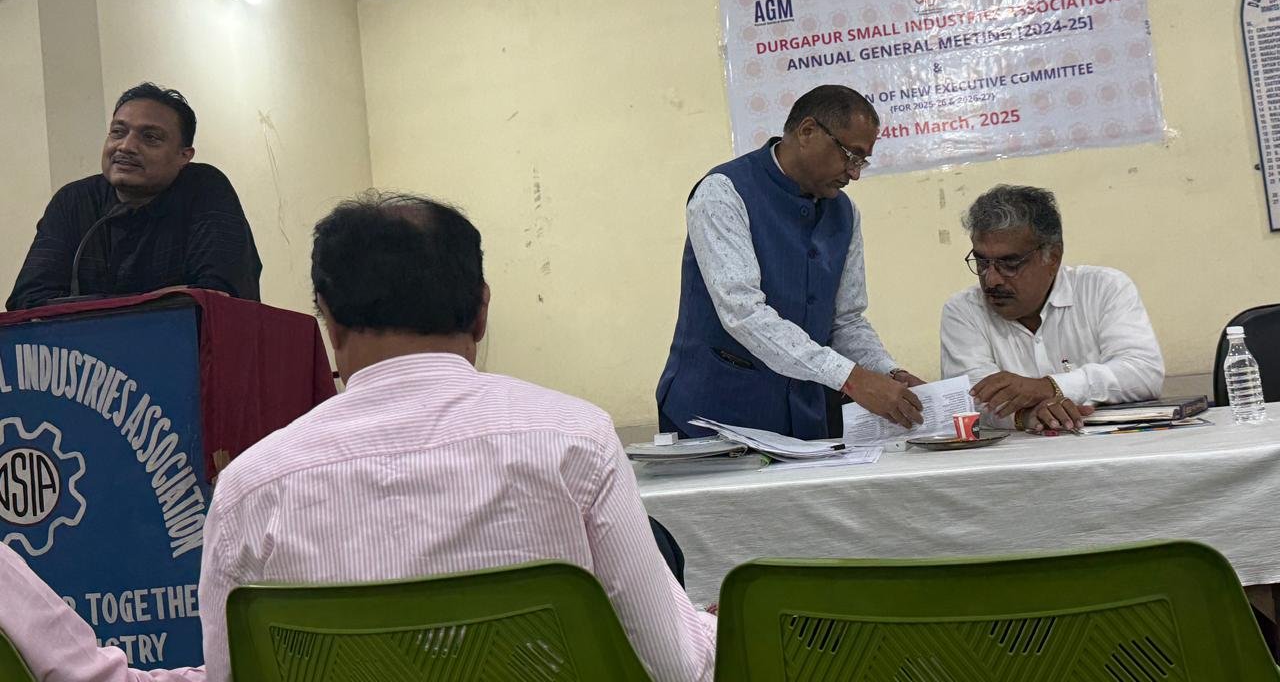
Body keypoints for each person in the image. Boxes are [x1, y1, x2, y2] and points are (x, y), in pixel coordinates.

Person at [0, 193, 714, 682]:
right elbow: (674, 666)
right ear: (482, 309)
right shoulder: (573, 438)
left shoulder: (252, 485)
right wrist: (707, 627)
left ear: (327, 319)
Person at [656, 84, 924, 441]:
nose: (854, 173)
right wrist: (853, 378)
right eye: (851, 155)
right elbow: (743, 313)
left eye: (862, 161)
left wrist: (888, 373)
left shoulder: (845, 213)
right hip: (716, 414)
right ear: (807, 131)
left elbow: (844, 321)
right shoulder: (723, 193)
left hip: (803, 415)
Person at [6, 83, 261, 309]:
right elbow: (28, 300)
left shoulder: (204, 189)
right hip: (81, 348)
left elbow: (219, 297)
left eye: (150, 137)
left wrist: (91, 307)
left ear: (184, 156)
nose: (126, 146)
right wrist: (155, 300)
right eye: (118, 132)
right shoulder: (74, 201)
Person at [940, 184, 1164, 432]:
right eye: (982, 262)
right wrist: (1027, 415)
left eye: (1010, 263)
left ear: (1053, 257)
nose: (991, 279)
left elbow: (1144, 373)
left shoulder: (1103, 288)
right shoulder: (963, 311)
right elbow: (971, 400)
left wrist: (1050, 387)